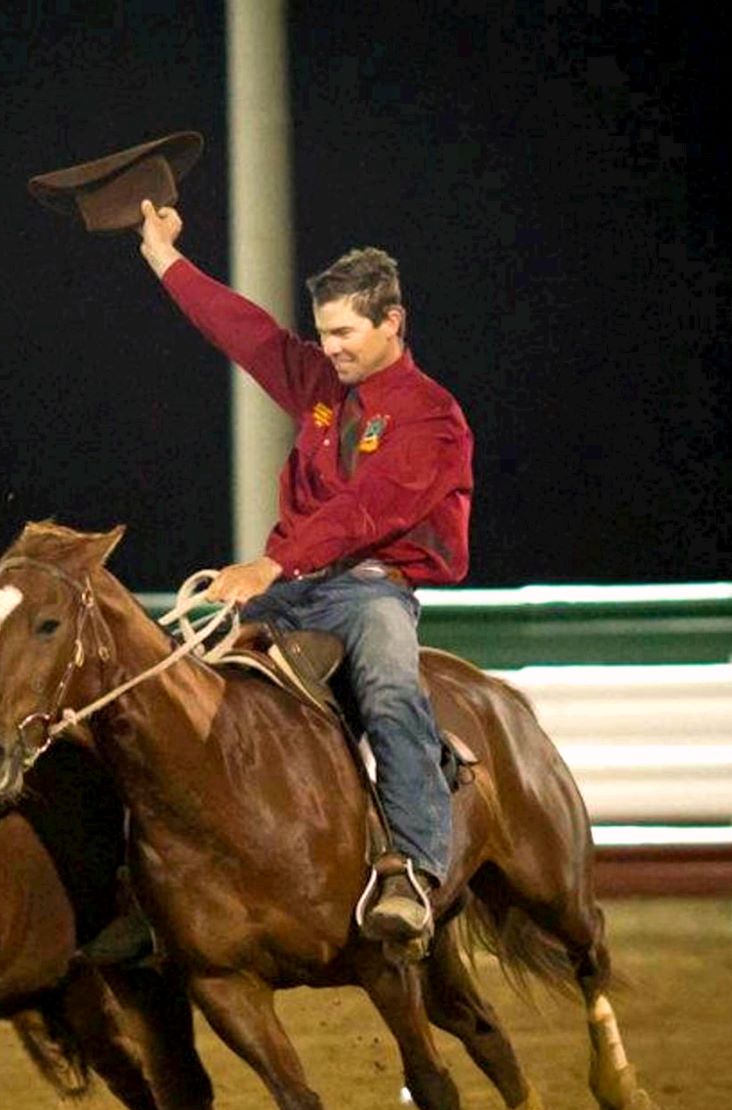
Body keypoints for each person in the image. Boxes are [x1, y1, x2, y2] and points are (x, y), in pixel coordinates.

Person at [136, 197, 473, 951]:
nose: (331, 348)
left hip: (372, 590)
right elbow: (244, 331)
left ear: (392, 321)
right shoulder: (322, 385)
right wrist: (162, 255)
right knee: (180, 690)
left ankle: (414, 870)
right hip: (293, 589)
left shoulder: (432, 416)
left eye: (345, 333)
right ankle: (159, 880)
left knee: (389, 688)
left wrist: (269, 564)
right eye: (322, 333)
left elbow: (367, 508)